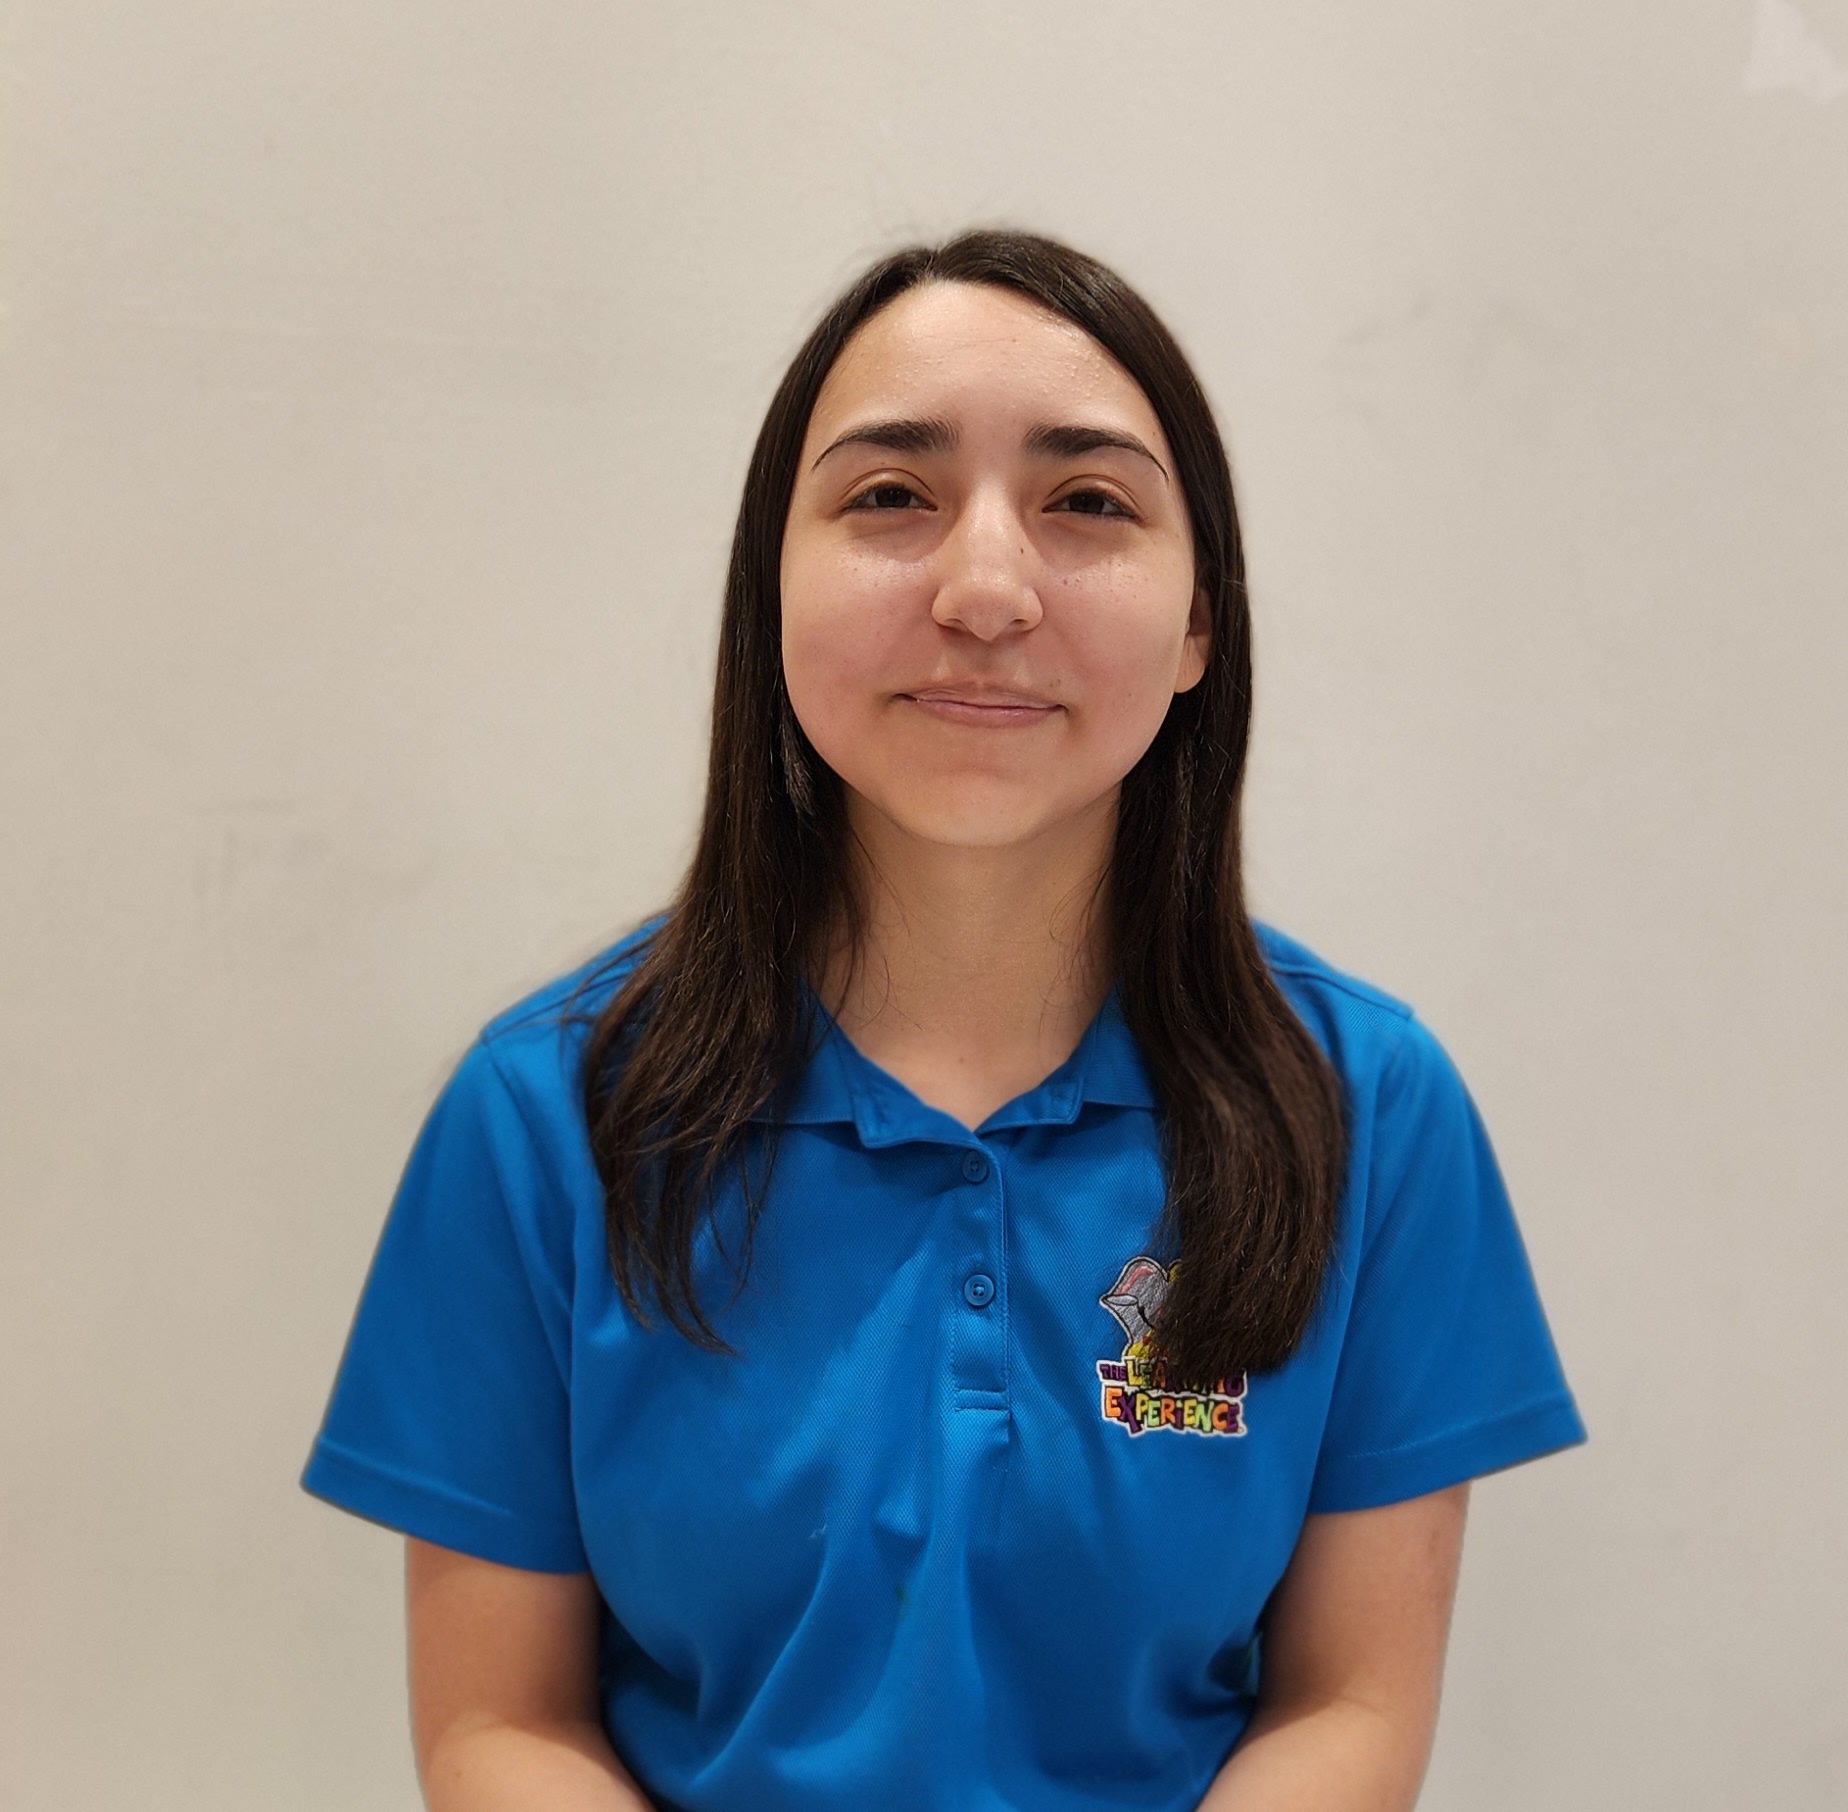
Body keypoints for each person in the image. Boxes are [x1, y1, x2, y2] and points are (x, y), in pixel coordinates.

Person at [302, 229, 1586, 1812]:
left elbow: (1351, 1705)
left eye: (1089, 502)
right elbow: (501, 1727)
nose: (985, 590)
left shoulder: (1369, 1108)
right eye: (891, 497)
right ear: (772, 593)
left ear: (1200, 626)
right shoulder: (544, 1115)